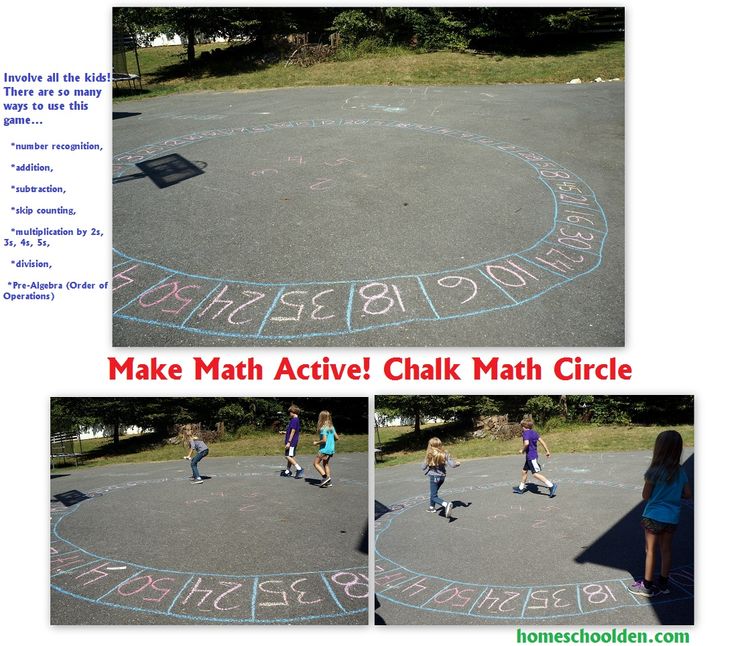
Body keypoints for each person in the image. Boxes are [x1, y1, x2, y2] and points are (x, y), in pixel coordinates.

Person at [629, 430, 692, 598]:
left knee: (650, 550)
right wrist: (672, 494)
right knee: (666, 550)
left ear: (659, 449)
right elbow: (687, 494)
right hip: (671, 518)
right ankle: (663, 583)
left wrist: (659, 494)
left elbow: (646, 495)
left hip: (653, 516)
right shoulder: (680, 471)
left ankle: (647, 586)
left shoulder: (654, 471)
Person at [513, 420, 557, 497]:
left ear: (524, 427)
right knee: (524, 471)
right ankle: (521, 488)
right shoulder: (534, 432)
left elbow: (526, 443)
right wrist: (547, 451)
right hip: (531, 456)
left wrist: (522, 450)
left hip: (531, 457)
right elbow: (542, 442)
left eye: (522, 427)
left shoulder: (525, 433)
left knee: (535, 474)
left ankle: (551, 485)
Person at [421, 437, 460, 520]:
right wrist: (457, 463)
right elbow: (452, 465)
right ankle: (432, 507)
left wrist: (427, 460)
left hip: (434, 478)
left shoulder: (429, 454)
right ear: (440, 444)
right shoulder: (444, 453)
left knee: (434, 496)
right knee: (433, 493)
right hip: (442, 477)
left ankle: (445, 504)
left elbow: (423, 467)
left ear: (430, 445)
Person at [312, 410, 339, 487]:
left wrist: (316, 443)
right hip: (331, 449)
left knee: (315, 463)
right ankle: (329, 482)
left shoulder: (323, 428)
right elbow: (337, 438)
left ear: (321, 418)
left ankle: (326, 478)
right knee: (325, 464)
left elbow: (324, 440)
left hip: (324, 450)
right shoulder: (331, 427)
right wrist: (331, 441)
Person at [281, 404, 304, 478]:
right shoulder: (295, 420)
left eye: (290, 412)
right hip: (292, 441)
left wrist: (289, 442)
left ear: (293, 412)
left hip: (292, 442)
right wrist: (284, 432)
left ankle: (299, 468)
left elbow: (293, 431)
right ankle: (288, 471)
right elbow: (292, 430)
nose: (289, 414)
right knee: (291, 456)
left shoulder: (294, 420)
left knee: (287, 456)